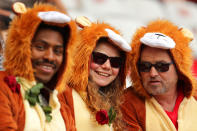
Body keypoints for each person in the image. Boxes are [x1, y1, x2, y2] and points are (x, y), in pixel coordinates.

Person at [0, 2, 78, 131]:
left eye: (57, 51)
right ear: (22, 48)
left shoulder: (60, 103)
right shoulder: (4, 87)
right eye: (40, 47)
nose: (50, 57)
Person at [121, 19, 197, 131]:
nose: (152, 73)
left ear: (179, 68)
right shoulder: (127, 102)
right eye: (145, 66)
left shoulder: (195, 96)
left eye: (162, 66)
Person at [68, 16, 131, 131]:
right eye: (99, 58)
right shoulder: (65, 94)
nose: (107, 66)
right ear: (83, 57)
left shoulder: (117, 103)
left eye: (115, 62)